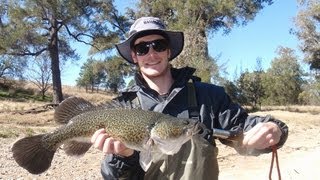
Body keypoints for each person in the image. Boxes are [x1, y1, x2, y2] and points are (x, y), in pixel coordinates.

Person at [90, 16, 288, 180]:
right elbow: (114, 177)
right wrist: (123, 157)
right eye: (142, 48)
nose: (151, 54)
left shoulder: (209, 95)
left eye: (158, 45)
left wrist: (273, 129)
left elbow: (243, 128)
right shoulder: (122, 107)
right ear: (134, 56)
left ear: (169, 51)